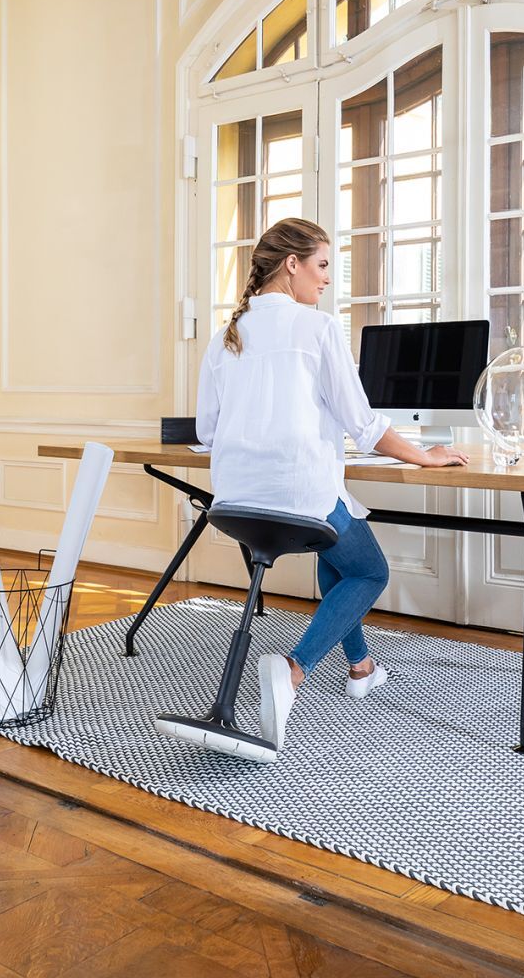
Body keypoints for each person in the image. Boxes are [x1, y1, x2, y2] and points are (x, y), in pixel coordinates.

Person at [196, 217, 467, 755]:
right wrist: (425, 456)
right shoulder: (316, 328)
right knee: (369, 569)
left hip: (232, 504)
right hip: (298, 498)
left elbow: (207, 432)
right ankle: (293, 670)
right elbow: (364, 426)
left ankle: (362, 667)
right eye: (321, 266)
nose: (325, 281)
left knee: (339, 550)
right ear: (292, 265)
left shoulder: (224, 335)